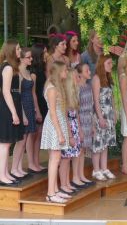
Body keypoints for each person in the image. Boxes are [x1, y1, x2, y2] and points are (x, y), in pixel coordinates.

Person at [40, 61, 69, 203]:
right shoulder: (51, 89)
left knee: (55, 159)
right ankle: (51, 194)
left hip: (58, 122)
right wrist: (59, 133)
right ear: (58, 72)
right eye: (64, 70)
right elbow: (52, 113)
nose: (67, 73)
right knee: (55, 159)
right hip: (54, 125)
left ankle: (55, 190)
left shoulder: (57, 87)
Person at [0, 40, 24, 186]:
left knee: (7, 143)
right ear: (11, 51)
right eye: (18, 49)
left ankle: (5, 172)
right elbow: (6, 92)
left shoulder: (11, 67)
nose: (20, 51)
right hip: (6, 107)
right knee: (4, 144)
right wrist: (14, 113)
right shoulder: (7, 68)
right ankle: (1, 175)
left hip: (11, 104)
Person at [11, 47, 38, 178]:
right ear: (21, 58)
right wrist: (23, 114)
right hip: (23, 107)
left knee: (26, 138)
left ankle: (19, 167)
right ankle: (14, 168)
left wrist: (35, 109)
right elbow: (19, 96)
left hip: (30, 106)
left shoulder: (28, 72)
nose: (31, 59)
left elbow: (33, 94)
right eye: (28, 57)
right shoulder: (19, 74)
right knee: (20, 140)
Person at [91, 55, 117, 181]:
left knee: (105, 143)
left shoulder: (107, 77)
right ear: (102, 64)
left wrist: (115, 113)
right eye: (109, 63)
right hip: (100, 114)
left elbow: (111, 98)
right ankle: (96, 170)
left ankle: (104, 167)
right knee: (98, 142)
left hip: (109, 114)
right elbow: (95, 100)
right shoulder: (96, 79)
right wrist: (100, 118)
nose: (111, 65)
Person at [59, 68, 81, 196]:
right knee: (65, 158)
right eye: (76, 76)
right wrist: (70, 135)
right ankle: (63, 184)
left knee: (70, 157)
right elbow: (66, 117)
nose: (78, 79)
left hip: (74, 126)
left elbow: (76, 114)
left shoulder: (73, 93)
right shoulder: (66, 96)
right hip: (69, 128)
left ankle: (67, 183)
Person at [73, 63, 94, 187]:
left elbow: (90, 107)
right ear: (79, 73)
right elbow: (76, 109)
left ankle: (81, 175)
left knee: (83, 149)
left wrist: (92, 125)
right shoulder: (77, 88)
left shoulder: (88, 86)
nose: (89, 71)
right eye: (87, 70)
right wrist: (79, 127)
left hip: (88, 119)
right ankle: (76, 176)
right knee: (79, 150)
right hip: (80, 119)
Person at [30, 43, 48, 173]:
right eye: (45, 52)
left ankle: (36, 162)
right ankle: (31, 163)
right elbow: (33, 93)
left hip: (44, 103)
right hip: (38, 105)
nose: (47, 54)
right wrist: (37, 110)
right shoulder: (34, 72)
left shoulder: (42, 69)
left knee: (39, 135)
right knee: (34, 135)